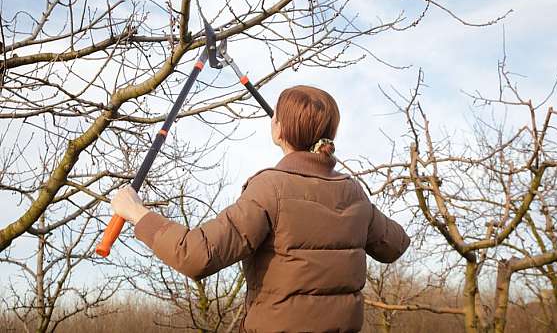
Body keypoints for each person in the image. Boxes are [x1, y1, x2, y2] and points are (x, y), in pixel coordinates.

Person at [112, 85, 410, 332]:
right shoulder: (354, 193)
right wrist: (344, 186)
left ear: (278, 129)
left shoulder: (271, 189)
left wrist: (138, 214)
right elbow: (396, 245)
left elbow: (197, 255)